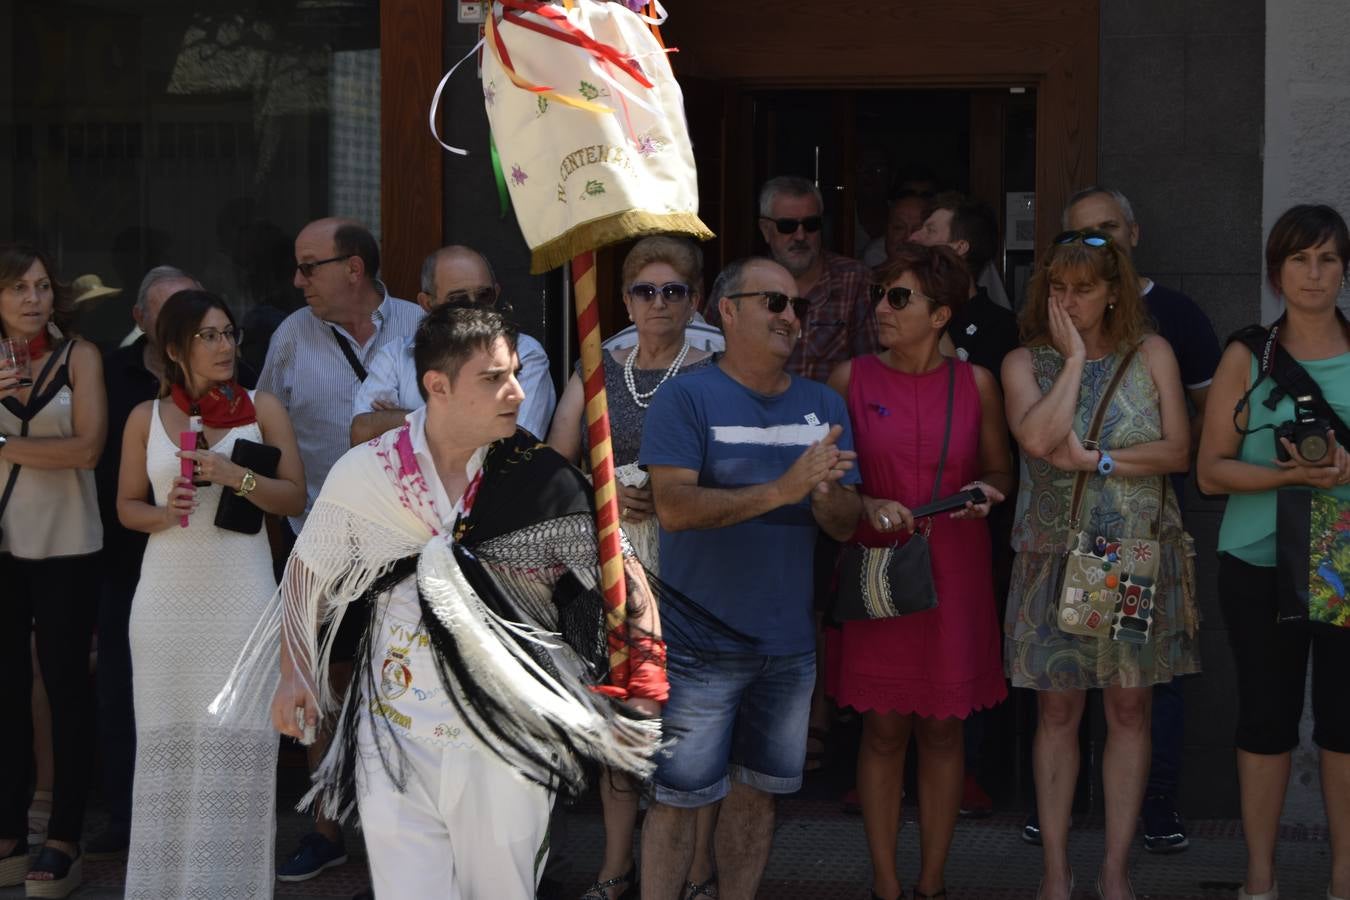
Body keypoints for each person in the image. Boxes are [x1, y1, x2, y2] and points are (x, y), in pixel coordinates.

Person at [233, 305, 668, 898]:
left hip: (509, 736)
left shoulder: (537, 476)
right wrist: (294, 674)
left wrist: (643, 681)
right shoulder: (370, 472)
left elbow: (622, 575)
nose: (516, 391)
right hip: (397, 731)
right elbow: (306, 575)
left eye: (515, 372)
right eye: (493, 378)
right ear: (436, 386)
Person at [639, 257, 862, 900]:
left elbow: (845, 523)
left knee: (757, 799)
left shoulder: (823, 404)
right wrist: (786, 487)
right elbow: (677, 509)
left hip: (787, 646)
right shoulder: (686, 397)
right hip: (697, 644)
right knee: (678, 800)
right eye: (775, 303)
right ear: (728, 311)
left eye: (798, 307)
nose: (791, 318)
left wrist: (824, 497)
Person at [1001, 230, 1199, 900]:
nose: (1070, 299)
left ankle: (1115, 870)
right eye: (1059, 286)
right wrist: (1077, 359)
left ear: (1114, 289)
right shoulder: (1026, 362)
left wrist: (1103, 461)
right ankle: (1056, 870)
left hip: (1120, 552)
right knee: (1057, 713)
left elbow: (1178, 452)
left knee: (1127, 707)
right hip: (1055, 549)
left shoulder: (1153, 353)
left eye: (1084, 288)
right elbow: (1035, 438)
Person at [826, 243, 1013, 900]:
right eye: (880, 294)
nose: (881, 307)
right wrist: (863, 504)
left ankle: (932, 884)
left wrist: (986, 494)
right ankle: (886, 884)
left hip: (955, 571)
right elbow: (829, 483)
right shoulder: (849, 380)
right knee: (881, 728)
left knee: (943, 727)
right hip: (879, 567)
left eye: (898, 296)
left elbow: (999, 470)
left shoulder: (977, 383)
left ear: (941, 313)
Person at [115, 290, 306, 898]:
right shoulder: (146, 418)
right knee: (165, 751)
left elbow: (294, 499)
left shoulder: (262, 408)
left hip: (241, 600)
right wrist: (163, 514)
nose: (224, 346)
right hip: (165, 604)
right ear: (175, 348)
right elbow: (124, 507)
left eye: (229, 334)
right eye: (209, 336)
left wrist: (236, 476)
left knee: (239, 747)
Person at [547, 235, 716, 900]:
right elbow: (557, 467)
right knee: (622, 721)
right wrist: (605, 494)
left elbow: (727, 469)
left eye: (674, 290)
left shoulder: (714, 372)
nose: (659, 303)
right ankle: (617, 868)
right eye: (645, 291)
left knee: (696, 727)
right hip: (615, 567)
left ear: (695, 299)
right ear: (624, 300)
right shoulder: (596, 370)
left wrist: (676, 491)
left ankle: (697, 870)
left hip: (695, 565)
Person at [258, 217, 422, 881]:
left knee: (403, 679)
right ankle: (325, 828)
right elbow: (264, 433)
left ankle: (407, 831)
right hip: (320, 537)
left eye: (309, 266)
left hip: (411, 538)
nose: (298, 282)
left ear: (353, 267)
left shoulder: (418, 325)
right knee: (323, 682)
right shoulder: (291, 338)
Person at [1062, 185, 1223, 853]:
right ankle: (1063, 807)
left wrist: (1109, 462)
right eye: (1082, 235)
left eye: (1107, 230)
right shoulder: (1055, 316)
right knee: (1064, 680)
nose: (1097, 246)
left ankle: (1155, 804)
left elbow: (1204, 424)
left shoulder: (1173, 320)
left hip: (1129, 533)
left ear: (1134, 231)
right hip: (1057, 532)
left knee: (1144, 683)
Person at [1196, 204, 1350, 900]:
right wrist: (1289, 474)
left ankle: (1344, 875)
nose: (1313, 274)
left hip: (1343, 560)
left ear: (1345, 269)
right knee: (1266, 718)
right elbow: (1209, 472)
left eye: (1327, 258)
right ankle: (1260, 877)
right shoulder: (1246, 356)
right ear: (1276, 270)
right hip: (1259, 560)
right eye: (1299, 259)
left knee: (1346, 724)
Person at [0, 243, 107, 898]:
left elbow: (88, 449)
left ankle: (65, 832)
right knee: (5, 687)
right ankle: (9, 827)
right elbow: (58, 449)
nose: (34, 299)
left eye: (42, 286)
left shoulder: (80, 356)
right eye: (18, 288)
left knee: (66, 686)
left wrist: (6, 446)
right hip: (3, 543)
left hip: (68, 541)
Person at [88, 265, 203, 858]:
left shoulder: (231, 379)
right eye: (167, 312)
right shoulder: (112, 373)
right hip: (125, 554)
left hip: (206, 561)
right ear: (140, 321)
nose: (185, 323)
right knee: (120, 690)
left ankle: (194, 816)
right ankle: (129, 818)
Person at [350, 245, 557, 444]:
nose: (474, 307)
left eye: (484, 295)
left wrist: (399, 419)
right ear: (427, 303)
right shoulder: (396, 354)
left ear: (496, 293)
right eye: (458, 299)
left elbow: (512, 445)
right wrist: (473, 423)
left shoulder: (524, 354)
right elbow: (362, 433)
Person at [705, 175, 876, 383]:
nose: (800, 236)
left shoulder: (855, 280)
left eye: (811, 224)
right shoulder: (738, 282)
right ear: (765, 230)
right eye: (787, 226)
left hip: (827, 413)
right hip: (748, 411)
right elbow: (708, 356)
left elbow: (869, 371)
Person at [861, 190, 933, 268]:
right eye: (899, 228)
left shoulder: (944, 278)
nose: (908, 238)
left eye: (918, 229)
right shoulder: (865, 278)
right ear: (887, 232)